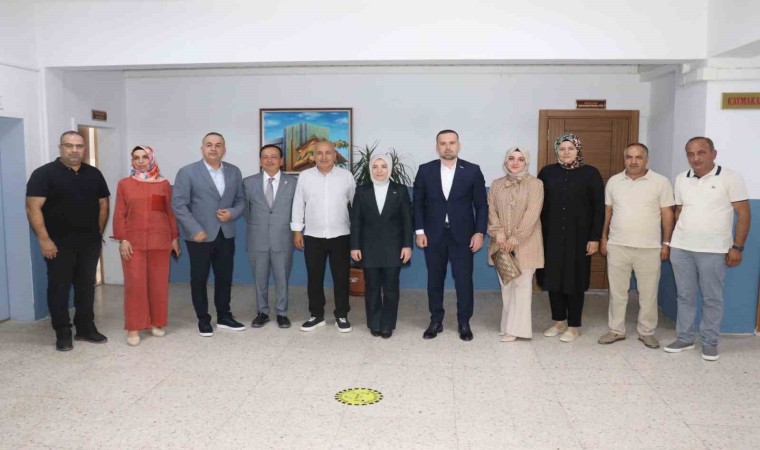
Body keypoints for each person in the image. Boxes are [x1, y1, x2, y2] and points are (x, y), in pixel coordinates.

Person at [664, 137, 750, 361]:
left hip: (713, 249)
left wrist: (737, 247)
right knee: (684, 296)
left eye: (701, 152)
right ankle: (685, 338)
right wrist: (671, 242)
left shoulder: (730, 177)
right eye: (690, 154)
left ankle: (710, 342)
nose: (695, 158)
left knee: (712, 298)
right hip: (681, 248)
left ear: (713, 153)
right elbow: (679, 211)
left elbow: (743, 213)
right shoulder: (681, 179)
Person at [26, 131, 110, 351]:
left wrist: (97, 234)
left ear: (84, 148)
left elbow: (103, 204)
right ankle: (62, 331)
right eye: (69, 145)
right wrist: (44, 240)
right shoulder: (44, 174)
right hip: (57, 244)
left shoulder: (94, 174)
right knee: (59, 287)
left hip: (89, 243)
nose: (74, 150)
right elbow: (33, 208)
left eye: (79, 146)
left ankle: (85, 327)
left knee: (86, 286)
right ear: (60, 147)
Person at [413, 129, 488, 341]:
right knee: (434, 280)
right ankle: (435, 321)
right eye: (443, 143)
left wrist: (479, 232)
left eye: (452, 143)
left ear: (458, 145)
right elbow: (417, 203)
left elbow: (481, 205)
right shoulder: (425, 170)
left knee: (464, 281)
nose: (448, 147)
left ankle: (464, 322)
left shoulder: (472, 170)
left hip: (463, 237)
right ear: (437, 147)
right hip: (433, 235)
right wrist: (419, 231)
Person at [598, 143, 674, 349]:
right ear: (624, 159)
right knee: (617, 292)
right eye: (629, 157)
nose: (633, 161)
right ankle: (616, 330)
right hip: (617, 245)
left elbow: (667, 214)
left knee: (648, 294)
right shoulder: (614, 182)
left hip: (649, 248)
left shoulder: (661, 182)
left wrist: (666, 243)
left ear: (646, 159)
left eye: (638, 157)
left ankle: (647, 332)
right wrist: (604, 237)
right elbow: (607, 212)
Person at [172, 132, 246, 337]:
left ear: (224, 149)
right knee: (199, 278)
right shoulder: (187, 172)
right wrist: (194, 228)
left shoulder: (234, 171)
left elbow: (241, 200)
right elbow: (178, 204)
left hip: (226, 233)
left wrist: (232, 213)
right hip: (199, 236)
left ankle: (224, 316)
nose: (213, 148)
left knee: (224, 277)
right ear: (202, 148)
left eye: (218, 145)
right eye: (209, 144)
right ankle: (203, 319)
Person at [537, 133, 604, 342]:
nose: (566, 152)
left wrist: (595, 238)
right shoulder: (547, 172)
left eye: (571, 148)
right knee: (553, 278)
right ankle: (559, 321)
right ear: (557, 151)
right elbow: (538, 204)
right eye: (562, 149)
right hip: (551, 236)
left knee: (575, 280)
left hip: (580, 237)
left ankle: (574, 325)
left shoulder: (591, 173)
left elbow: (598, 209)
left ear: (578, 150)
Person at [113, 145, 181, 346]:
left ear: (151, 159)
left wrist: (174, 237)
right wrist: (122, 239)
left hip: (160, 241)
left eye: (144, 157)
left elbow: (168, 213)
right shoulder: (124, 184)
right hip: (132, 243)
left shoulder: (163, 183)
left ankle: (156, 322)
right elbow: (119, 214)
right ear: (132, 161)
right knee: (135, 285)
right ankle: (133, 327)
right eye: (136, 158)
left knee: (158, 284)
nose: (141, 161)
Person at [291, 140, 356, 332]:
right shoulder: (305, 176)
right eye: (319, 153)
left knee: (341, 278)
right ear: (313, 156)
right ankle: (316, 315)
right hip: (313, 235)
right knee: (314, 278)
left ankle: (342, 315)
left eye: (328, 152)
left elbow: (356, 205)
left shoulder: (346, 176)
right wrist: (297, 230)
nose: (324, 156)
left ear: (335, 155)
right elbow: (298, 204)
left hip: (341, 235)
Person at [350, 153, 413, 338]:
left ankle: (387, 324)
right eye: (375, 167)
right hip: (368, 248)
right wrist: (354, 246)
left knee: (391, 288)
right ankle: (374, 323)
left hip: (394, 248)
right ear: (370, 169)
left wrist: (407, 245)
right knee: (372, 288)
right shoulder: (362, 190)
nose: (379, 171)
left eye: (383, 166)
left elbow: (407, 221)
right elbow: (356, 222)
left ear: (389, 169)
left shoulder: (400, 190)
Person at [487, 147, 544, 342]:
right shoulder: (496, 184)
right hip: (501, 244)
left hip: (526, 243)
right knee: (507, 285)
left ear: (526, 162)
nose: (515, 162)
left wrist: (514, 239)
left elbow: (532, 214)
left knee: (522, 286)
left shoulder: (535, 184)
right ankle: (507, 326)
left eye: (520, 159)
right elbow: (492, 211)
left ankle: (518, 330)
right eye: (511, 158)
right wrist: (500, 235)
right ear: (505, 161)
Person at [243, 145, 297, 329]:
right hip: (257, 238)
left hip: (283, 237)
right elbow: (247, 211)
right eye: (265, 157)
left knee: (282, 277)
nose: (269, 160)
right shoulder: (248, 182)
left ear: (281, 160)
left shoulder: (293, 183)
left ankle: (282, 312)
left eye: (274, 156)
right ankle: (262, 312)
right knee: (259, 278)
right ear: (260, 161)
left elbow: (297, 210)